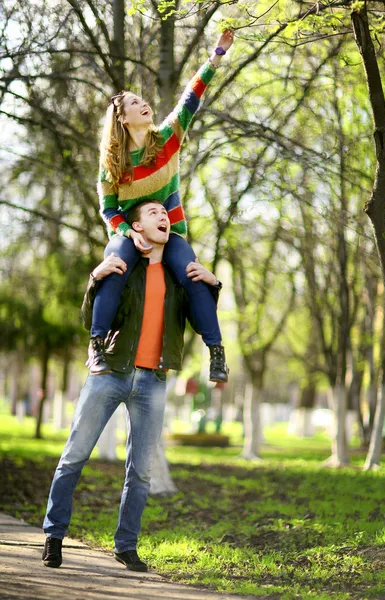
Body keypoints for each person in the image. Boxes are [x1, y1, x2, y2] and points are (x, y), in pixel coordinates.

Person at [42, 200, 223, 572]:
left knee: (140, 471)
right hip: (110, 371)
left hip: (153, 381)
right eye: (153, 213)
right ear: (136, 227)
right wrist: (96, 278)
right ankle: (54, 535)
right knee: (74, 456)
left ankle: (126, 546)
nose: (164, 217)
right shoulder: (124, 267)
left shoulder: (177, 275)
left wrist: (213, 284)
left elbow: (195, 318)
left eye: (165, 213)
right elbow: (89, 318)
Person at [89, 30, 234, 383]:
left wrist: (216, 55)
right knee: (115, 265)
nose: (144, 103)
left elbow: (190, 99)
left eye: (144, 99)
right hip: (129, 233)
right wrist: (127, 232)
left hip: (169, 231)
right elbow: (108, 208)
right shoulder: (113, 164)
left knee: (194, 273)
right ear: (122, 118)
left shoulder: (168, 138)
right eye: (134, 102)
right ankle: (97, 345)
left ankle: (217, 353)